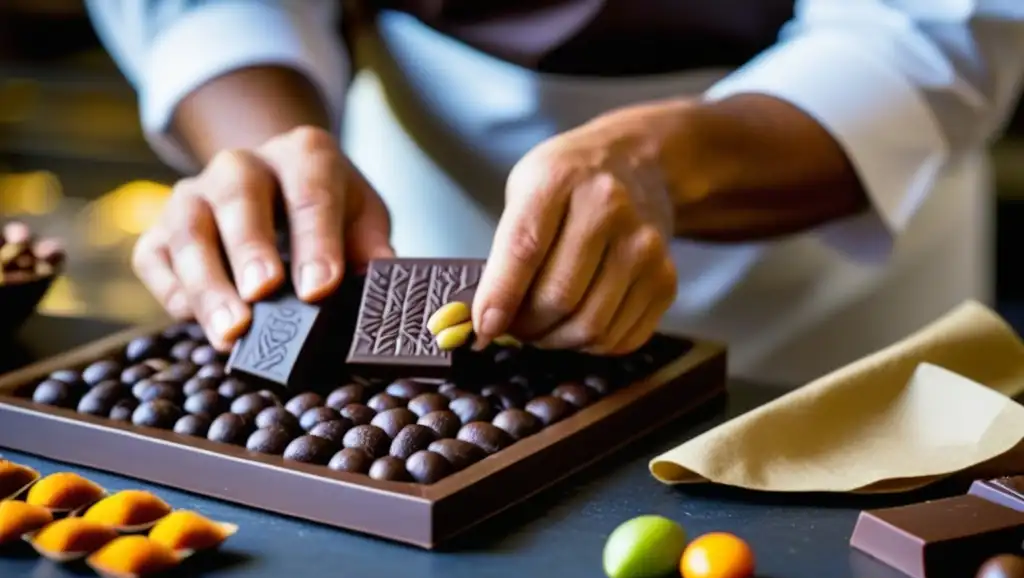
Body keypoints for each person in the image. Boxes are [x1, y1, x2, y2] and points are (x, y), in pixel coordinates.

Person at [85, 0, 1024, 385]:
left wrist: (661, 165)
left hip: (830, 241)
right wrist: (270, 153)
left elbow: (937, 27)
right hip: (426, 187)